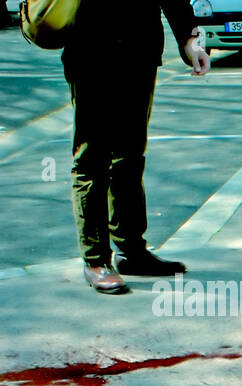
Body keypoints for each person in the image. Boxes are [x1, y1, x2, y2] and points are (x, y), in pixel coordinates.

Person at [60, 1, 210, 294]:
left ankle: (131, 251)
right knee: (92, 158)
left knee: (129, 155)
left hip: (139, 48)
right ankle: (96, 260)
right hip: (90, 48)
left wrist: (189, 41)